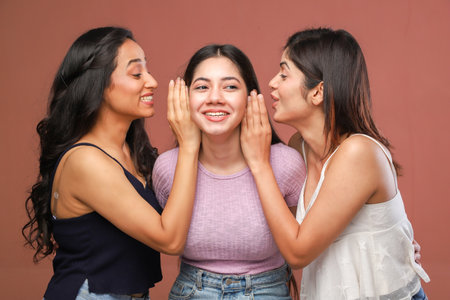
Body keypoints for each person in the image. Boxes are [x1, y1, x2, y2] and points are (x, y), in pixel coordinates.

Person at [240, 28, 430, 299]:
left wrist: (260, 164)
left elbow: (297, 252)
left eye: (283, 74)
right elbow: (285, 228)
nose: (271, 83)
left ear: (317, 92)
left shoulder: (358, 153)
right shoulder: (299, 147)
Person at [22, 26, 200, 300]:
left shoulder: (130, 150)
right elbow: (170, 239)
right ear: (99, 85)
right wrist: (188, 144)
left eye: (147, 71)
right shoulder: (85, 161)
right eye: (136, 73)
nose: (151, 81)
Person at [152, 44, 306, 299]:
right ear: (184, 98)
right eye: (202, 87)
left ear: (251, 97)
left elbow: (298, 249)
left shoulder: (286, 164)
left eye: (230, 86)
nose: (215, 97)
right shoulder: (167, 168)